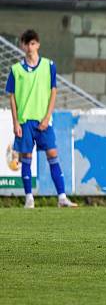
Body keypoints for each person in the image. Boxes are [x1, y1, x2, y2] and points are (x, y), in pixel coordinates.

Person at [5, 29, 77, 209]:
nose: (29, 47)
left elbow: (53, 91)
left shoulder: (48, 66)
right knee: (26, 157)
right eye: (26, 43)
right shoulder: (15, 70)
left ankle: (62, 197)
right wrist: (15, 122)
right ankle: (29, 198)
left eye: (32, 43)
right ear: (22, 45)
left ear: (38, 44)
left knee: (53, 154)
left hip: (43, 120)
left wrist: (47, 116)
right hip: (24, 120)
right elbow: (12, 96)